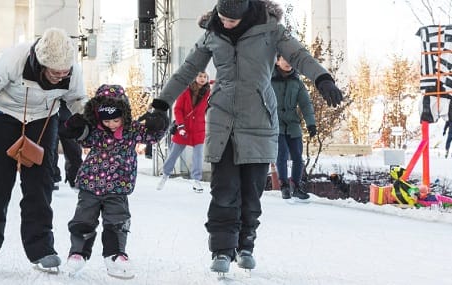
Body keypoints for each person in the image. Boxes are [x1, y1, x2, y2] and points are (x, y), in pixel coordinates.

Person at [146, 0, 343, 274]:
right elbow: (188, 70)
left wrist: (322, 78)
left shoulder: (270, 30)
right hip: (222, 120)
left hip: (258, 119)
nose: (225, 23)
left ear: (245, 15)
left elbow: (298, 55)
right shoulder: (212, 33)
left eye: (231, 21)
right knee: (223, 190)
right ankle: (221, 251)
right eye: (222, 18)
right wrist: (161, 104)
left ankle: (246, 245)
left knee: (252, 191)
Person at [0, 27, 86, 271]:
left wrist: (85, 124)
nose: (60, 76)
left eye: (64, 72)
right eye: (55, 72)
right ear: (41, 63)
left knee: (40, 184)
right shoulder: (14, 59)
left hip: (43, 119)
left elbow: (77, 100)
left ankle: (41, 248)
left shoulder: (72, 71)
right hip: (4, 114)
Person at [61, 84, 166, 279]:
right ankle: (78, 253)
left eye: (116, 120)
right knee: (83, 220)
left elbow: (151, 136)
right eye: (106, 120)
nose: (111, 125)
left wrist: (159, 123)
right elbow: (81, 137)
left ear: (124, 115)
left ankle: (115, 255)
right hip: (90, 185)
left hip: (118, 186)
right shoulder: (95, 130)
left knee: (117, 221)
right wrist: (73, 127)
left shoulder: (132, 129)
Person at [156, 71, 211, 192]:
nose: (202, 79)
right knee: (173, 154)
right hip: (184, 128)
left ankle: (197, 181)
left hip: (198, 129)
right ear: (194, 77)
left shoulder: (208, 92)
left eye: (205, 77)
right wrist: (180, 126)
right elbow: (178, 109)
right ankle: (165, 175)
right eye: (200, 76)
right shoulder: (185, 91)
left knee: (198, 155)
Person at [272, 55, 316, 201]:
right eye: (285, 59)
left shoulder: (296, 81)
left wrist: (311, 123)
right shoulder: (269, 79)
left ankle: (296, 186)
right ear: (277, 61)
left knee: (298, 156)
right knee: (282, 153)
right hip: (275, 123)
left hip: (292, 124)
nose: (288, 63)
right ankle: (284, 185)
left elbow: (305, 104)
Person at [51, 99, 83, 189]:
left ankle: (75, 177)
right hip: (51, 114)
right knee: (51, 148)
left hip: (68, 116)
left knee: (74, 150)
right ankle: (53, 177)